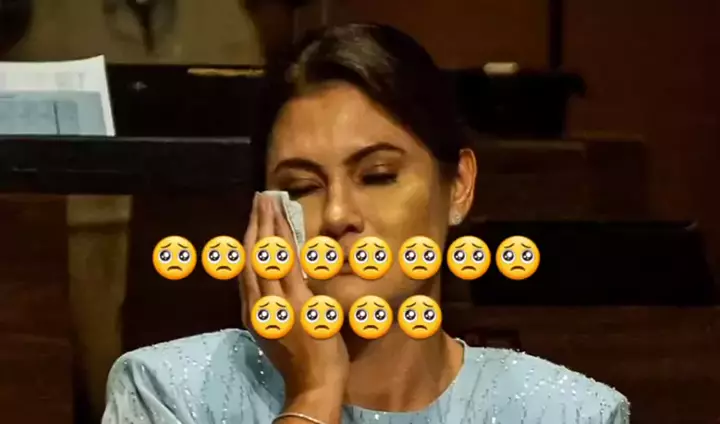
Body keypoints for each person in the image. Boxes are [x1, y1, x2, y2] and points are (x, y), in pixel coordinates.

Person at [102, 23, 629, 424]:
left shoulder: (568, 413)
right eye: (301, 186)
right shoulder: (167, 394)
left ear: (459, 186)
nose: (337, 215)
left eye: (378, 176)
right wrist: (313, 396)